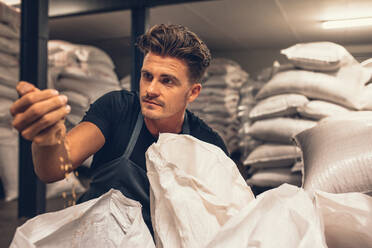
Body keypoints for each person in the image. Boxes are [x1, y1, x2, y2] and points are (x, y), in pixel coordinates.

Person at [10, 24, 228, 234]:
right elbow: (55, 169)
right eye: (147, 76)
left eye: (167, 81)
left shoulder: (208, 145)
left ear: (192, 93)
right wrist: (48, 140)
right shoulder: (118, 109)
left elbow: (221, 219)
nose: (151, 89)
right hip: (95, 235)